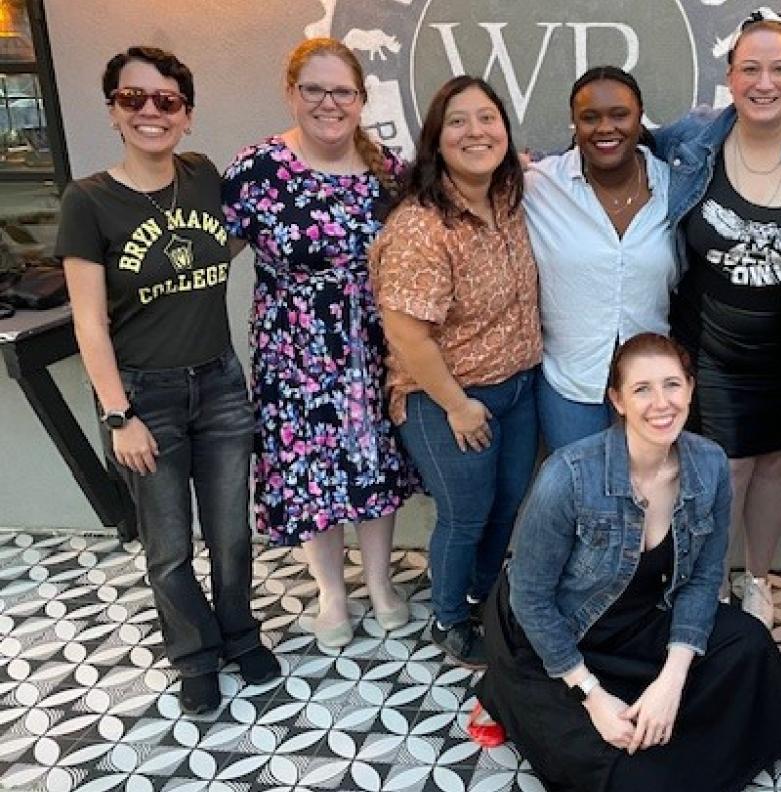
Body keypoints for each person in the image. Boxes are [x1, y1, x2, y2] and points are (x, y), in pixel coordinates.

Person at [477, 332, 781, 792]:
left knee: (750, 642)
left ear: (691, 389)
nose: (662, 403)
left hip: (641, 620)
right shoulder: (569, 475)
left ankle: (653, 705)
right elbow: (531, 600)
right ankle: (505, 691)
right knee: (630, 775)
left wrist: (671, 683)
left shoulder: (709, 464)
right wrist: (592, 696)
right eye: (642, 389)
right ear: (617, 400)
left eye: (672, 385)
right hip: (556, 636)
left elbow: (701, 579)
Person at [58, 46, 278, 714]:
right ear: (113, 112)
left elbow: (227, 240)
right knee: (169, 545)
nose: (151, 111)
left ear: (186, 115)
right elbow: (89, 323)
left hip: (219, 382)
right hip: (144, 395)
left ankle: (239, 632)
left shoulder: (203, 175)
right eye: (134, 99)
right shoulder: (88, 201)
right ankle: (193, 654)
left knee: (232, 533)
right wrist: (118, 414)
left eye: (166, 101)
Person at [653, 7, 781, 629]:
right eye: (750, 68)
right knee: (728, 466)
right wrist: (530, 166)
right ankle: (712, 581)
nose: (764, 82)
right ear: (730, 75)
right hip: (709, 345)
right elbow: (613, 145)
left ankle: (759, 579)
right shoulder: (691, 138)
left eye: (779, 68)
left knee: (775, 463)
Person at [222, 38, 415, 650]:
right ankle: (332, 591)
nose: (329, 103)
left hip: (370, 344)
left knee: (373, 463)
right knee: (310, 471)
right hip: (292, 349)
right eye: (315, 89)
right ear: (292, 93)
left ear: (361, 100)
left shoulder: (387, 169)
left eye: (343, 92)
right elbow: (209, 258)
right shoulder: (257, 170)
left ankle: (381, 583)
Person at [370, 76, 540, 669]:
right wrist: (458, 405)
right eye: (458, 122)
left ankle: (481, 595)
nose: (476, 132)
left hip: (519, 389)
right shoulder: (422, 224)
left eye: (487, 119)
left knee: (508, 500)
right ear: (435, 141)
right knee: (466, 513)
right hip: (447, 397)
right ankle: (448, 618)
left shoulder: (508, 197)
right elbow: (407, 334)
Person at [526, 66, 678, 450]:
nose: (605, 128)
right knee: (584, 500)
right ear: (574, 124)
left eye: (619, 115)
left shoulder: (675, 186)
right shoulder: (539, 185)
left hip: (654, 386)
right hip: (570, 383)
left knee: (649, 495)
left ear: (640, 116)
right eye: (589, 117)